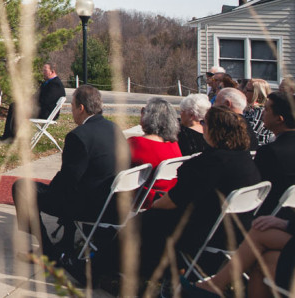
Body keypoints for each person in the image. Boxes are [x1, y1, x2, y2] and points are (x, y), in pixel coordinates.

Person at [74, 107, 260, 284]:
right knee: (147, 222)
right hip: (236, 230)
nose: (202, 127)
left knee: (141, 222)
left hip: (206, 233)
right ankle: (113, 268)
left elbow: (172, 201)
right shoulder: (244, 159)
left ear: (215, 130)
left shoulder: (210, 163)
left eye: (205, 123)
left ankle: (94, 270)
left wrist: (153, 206)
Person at [12, 84, 126, 259]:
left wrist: (48, 191)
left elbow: (67, 181)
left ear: (81, 108)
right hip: (112, 202)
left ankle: (47, 250)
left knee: (21, 187)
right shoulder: (114, 129)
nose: (72, 111)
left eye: (72, 107)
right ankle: (67, 241)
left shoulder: (79, 136)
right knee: (73, 189)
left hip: (90, 206)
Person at [129, 98, 182, 208]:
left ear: (150, 117)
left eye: (144, 110)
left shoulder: (136, 144)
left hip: (141, 200)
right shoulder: (174, 145)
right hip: (167, 199)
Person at [0, 62, 65, 141]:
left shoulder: (55, 84)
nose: (43, 73)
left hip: (46, 113)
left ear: (52, 71)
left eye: (45, 70)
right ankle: (9, 135)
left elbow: (46, 101)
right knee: (15, 105)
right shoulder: (47, 83)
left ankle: (10, 137)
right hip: (40, 109)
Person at [253, 91, 295, 216]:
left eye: (266, 110)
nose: (262, 114)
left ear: (279, 119)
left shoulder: (269, 152)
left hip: (273, 217)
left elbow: (257, 191)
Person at [244, 77, 275, 147]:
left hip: (257, 149)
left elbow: (251, 133)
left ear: (257, 93)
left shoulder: (260, 111)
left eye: (247, 90)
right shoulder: (248, 109)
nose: (244, 91)